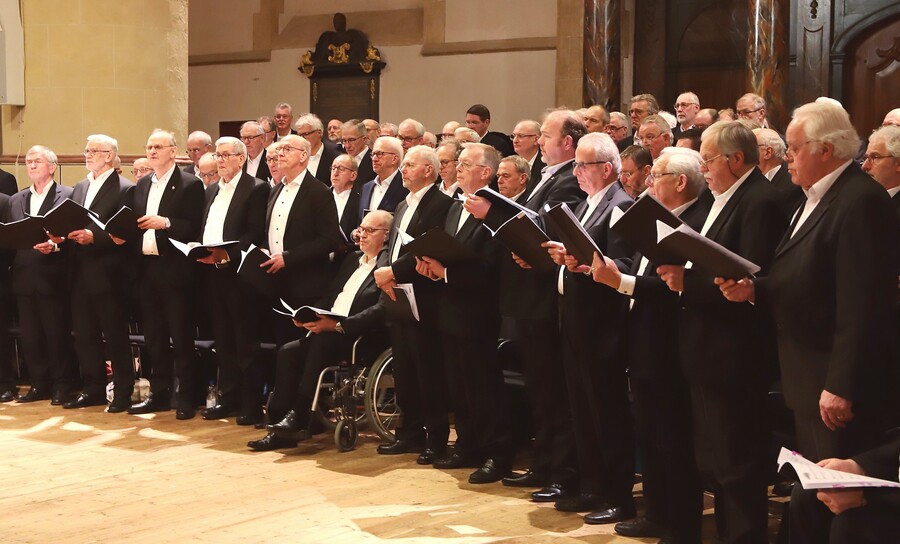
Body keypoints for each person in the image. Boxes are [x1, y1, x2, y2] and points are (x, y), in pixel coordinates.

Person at [717, 104, 899, 542]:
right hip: (807, 371)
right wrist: (755, 289)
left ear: (825, 149)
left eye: (795, 148)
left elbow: (863, 304)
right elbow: (801, 275)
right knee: (818, 495)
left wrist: (841, 384)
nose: (787, 158)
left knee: (838, 501)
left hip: (834, 385)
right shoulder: (816, 197)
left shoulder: (860, 200)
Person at [657, 120, 787, 543]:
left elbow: (742, 276)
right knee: (716, 462)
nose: (704, 168)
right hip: (706, 351)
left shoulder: (759, 201)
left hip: (735, 355)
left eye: (709, 159)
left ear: (735, 158)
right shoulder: (723, 199)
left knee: (737, 465)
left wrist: (683, 281)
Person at [465, 109, 586, 501]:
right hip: (529, 296)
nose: (540, 142)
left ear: (567, 142)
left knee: (552, 391)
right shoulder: (548, 176)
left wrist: (496, 212)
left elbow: (549, 228)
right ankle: (544, 461)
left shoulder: (569, 179)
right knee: (539, 388)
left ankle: (561, 470)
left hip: (546, 297)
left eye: (546, 135)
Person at [591, 147, 709, 542]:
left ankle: (681, 524)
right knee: (651, 436)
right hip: (643, 341)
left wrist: (619, 282)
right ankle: (657, 513)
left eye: (656, 174)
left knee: (674, 440)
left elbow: (672, 288)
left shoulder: (695, 219)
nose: (647, 181)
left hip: (670, 345)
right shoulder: (659, 217)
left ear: (679, 182)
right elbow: (644, 269)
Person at [543, 132, 636, 524]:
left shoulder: (622, 205)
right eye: (577, 164)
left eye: (583, 165)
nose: (576, 171)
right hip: (575, 321)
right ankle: (592, 486)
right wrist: (563, 255)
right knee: (581, 410)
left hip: (602, 326)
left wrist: (584, 263)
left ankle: (618, 495)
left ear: (608, 168)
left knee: (607, 413)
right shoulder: (582, 205)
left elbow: (626, 264)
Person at [250, 211, 391, 451]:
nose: (362, 235)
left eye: (370, 231)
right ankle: (278, 424)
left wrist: (338, 325)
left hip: (358, 336)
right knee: (288, 351)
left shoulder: (386, 267)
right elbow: (330, 296)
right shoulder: (352, 260)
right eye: (361, 229)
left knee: (321, 343)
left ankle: (301, 413)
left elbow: (380, 311)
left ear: (386, 236)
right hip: (329, 329)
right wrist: (309, 315)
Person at [416, 142, 515, 484]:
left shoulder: (495, 210)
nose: (457, 168)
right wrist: (432, 265)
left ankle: (497, 453)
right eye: (457, 163)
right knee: (458, 384)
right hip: (450, 307)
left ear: (485, 172)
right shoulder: (453, 205)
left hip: (479, 311)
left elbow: (490, 267)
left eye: (465, 163)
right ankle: (468, 445)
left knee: (483, 385)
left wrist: (447, 273)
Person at [373, 145, 454, 461]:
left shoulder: (441, 204)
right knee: (405, 367)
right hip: (396, 292)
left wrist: (392, 269)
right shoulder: (403, 204)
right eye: (404, 164)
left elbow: (429, 249)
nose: (403, 169)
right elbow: (391, 244)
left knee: (428, 369)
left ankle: (435, 438)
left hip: (425, 293)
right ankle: (408, 433)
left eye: (409, 164)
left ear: (429, 171)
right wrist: (385, 268)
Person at [124, 130, 205, 420]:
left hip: (175, 270)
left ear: (173, 151)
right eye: (149, 146)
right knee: (155, 338)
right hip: (147, 270)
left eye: (158, 146)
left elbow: (195, 226)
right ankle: (159, 393)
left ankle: (186, 397)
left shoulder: (190, 184)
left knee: (181, 337)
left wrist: (166, 222)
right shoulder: (142, 184)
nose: (152, 150)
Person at [196, 136, 269, 424]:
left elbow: (253, 232)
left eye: (227, 155)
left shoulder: (256, 188)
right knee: (223, 339)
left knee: (244, 340)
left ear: (241, 159)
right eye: (218, 155)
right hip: (213, 273)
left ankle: (250, 404)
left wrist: (226, 255)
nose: (221, 160)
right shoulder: (212, 189)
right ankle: (228, 397)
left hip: (239, 273)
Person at [62, 135, 136, 412]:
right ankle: (92, 388)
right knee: (84, 334)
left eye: (94, 151)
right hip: (79, 270)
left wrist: (95, 237)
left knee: (115, 335)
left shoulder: (124, 188)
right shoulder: (80, 186)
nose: (87, 154)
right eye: (86, 150)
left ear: (109, 155)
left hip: (109, 272)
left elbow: (126, 233)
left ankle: (123, 392)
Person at [260, 134, 342, 349]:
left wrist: (289, 258)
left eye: (287, 149)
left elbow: (330, 239)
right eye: (279, 149)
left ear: (304, 156)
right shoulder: (275, 190)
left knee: (299, 347)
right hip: (276, 280)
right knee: (280, 343)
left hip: (305, 282)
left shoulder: (319, 192)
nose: (280, 153)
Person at [5, 146, 72, 404]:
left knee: (56, 334)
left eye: (37, 161)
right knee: (31, 337)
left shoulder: (66, 195)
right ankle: (39, 384)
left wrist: (56, 245)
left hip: (53, 274)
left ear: (52, 167)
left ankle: (62, 385)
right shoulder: (16, 199)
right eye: (28, 162)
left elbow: (73, 234)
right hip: (24, 275)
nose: (31, 165)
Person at [754, 127, 804, 217]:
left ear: (767, 153)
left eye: (749, 147)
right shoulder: (752, 180)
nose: (744, 153)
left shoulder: (793, 185)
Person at [357, 136, 407, 222]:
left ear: (394, 158)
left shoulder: (405, 186)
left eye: (379, 154)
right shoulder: (366, 188)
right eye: (373, 154)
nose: (374, 159)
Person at [294, 113, 338, 184]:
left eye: (306, 134)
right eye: (299, 135)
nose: (302, 139)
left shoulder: (334, 156)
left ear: (319, 133)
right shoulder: (295, 155)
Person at [511, 120, 543, 197]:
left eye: (520, 136)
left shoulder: (545, 166)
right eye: (513, 136)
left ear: (536, 139)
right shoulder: (510, 164)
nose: (515, 141)